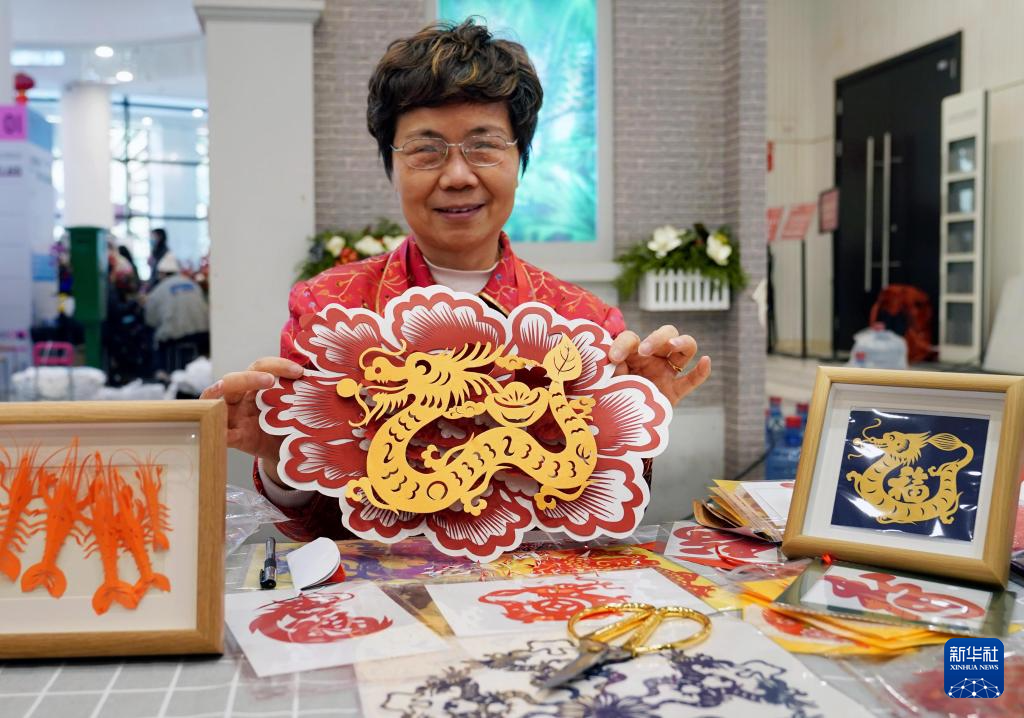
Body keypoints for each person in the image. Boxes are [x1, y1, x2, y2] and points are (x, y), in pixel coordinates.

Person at [202, 19, 711, 540]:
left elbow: (600, 514)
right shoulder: (330, 311)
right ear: (392, 166)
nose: (458, 176)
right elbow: (315, 528)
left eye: (483, 146)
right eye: (426, 150)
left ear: (520, 158)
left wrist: (634, 420)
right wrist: (279, 455)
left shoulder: (583, 322)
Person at [145, 253, 210, 374]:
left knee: (154, 339)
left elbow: (150, 320)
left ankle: (164, 375)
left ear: (162, 273)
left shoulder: (158, 290)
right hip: (203, 336)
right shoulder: (193, 285)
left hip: (175, 339)